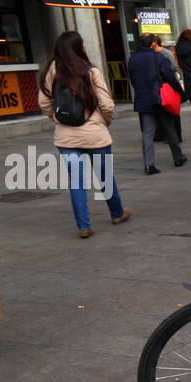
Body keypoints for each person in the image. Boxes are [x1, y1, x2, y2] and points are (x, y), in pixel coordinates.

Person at [38, 31, 131, 239]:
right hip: (95, 135)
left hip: (66, 138)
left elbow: (44, 103)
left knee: (77, 181)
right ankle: (117, 213)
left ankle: (83, 226)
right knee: (105, 177)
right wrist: (104, 121)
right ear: (78, 48)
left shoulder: (50, 72)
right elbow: (106, 104)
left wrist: (57, 119)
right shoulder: (90, 71)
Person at [127, 33, 186, 175]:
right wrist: (180, 92)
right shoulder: (159, 57)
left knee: (147, 133)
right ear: (153, 44)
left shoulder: (132, 59)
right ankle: (178, 157)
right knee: (169, 128)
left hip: (143, 99)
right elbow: (170, 77)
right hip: (159, 98)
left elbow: (133, 79)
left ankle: (149, 164)